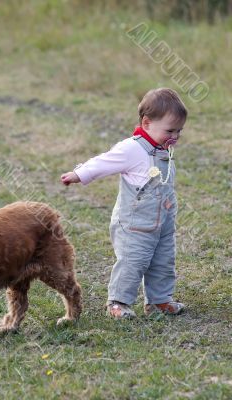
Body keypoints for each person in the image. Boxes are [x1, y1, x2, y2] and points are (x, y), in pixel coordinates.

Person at [61, 88, 187, 318]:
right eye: (170, 131)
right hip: (134, 224)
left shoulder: (163, 148)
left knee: (163, 261)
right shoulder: (132, 148)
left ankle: (159, 301)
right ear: (147, 123)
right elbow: (104, 162)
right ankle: (118, 303)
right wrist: (79, 174)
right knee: (132, 262)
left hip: (163, 222)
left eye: (179, 131)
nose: (175, 137)